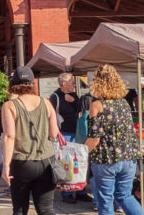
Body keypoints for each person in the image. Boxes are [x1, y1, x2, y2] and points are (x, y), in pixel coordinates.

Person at [0, 66, 58, 215]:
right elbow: (53, 133)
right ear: (32, 83)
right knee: (46, 209)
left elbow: (9, 136)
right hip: (46, 161)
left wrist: (6, 166)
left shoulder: (9, 106)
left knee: (20, 209)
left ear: (13, 85)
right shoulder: (46, 102)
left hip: (22, 162)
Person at [85, 64, 142, 215]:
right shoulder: (123, 103)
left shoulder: (97, 105)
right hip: (128, 158)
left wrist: (80, 154)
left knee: (105, 200)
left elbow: (94, 138)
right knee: (125, 196)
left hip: (106, 160)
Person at [49, 72, 90, 204]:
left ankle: (80, 191)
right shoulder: (55, 96)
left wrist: (75, 101)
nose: (74, 85)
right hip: (64, 133)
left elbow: (81, 108)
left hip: (77, 132)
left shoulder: (73, 95)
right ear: (64, 84)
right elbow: (51, 115)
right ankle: (66, 192)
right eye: (72, 82)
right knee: (66, 164)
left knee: (79, 162)